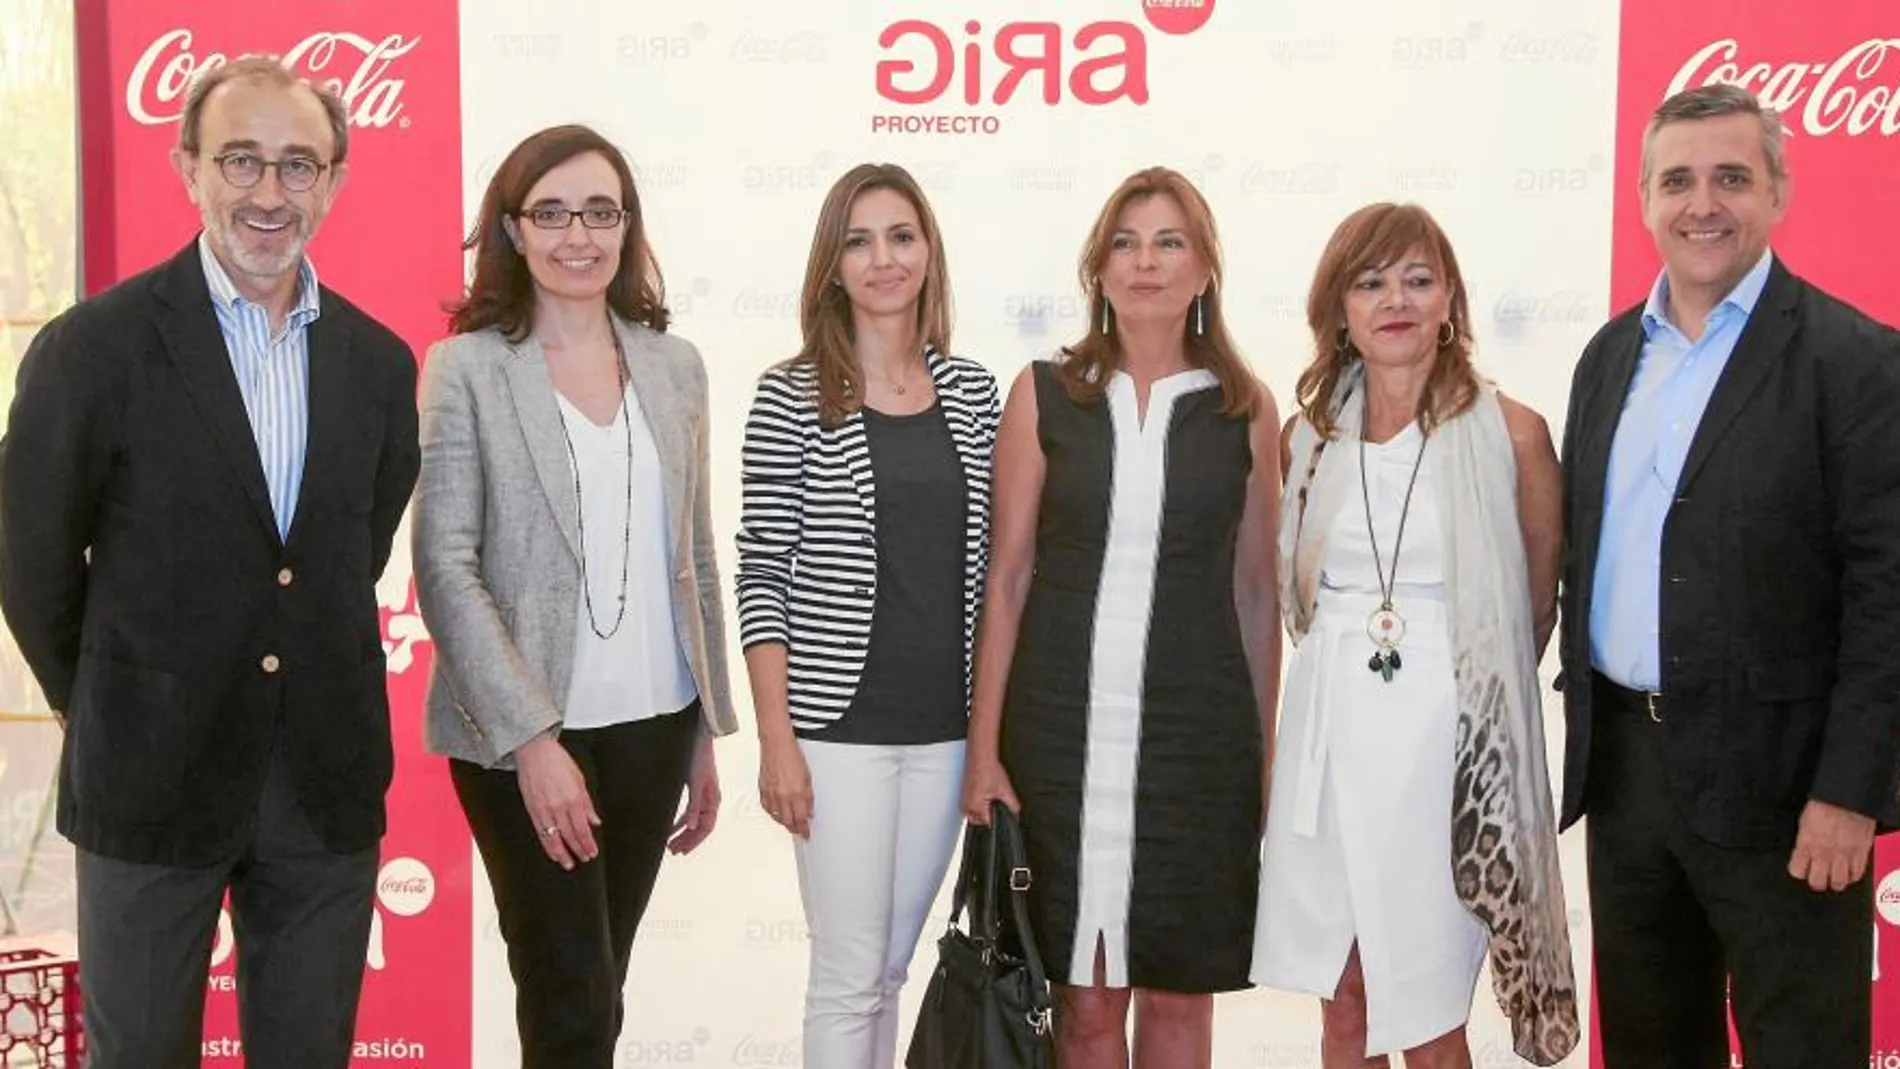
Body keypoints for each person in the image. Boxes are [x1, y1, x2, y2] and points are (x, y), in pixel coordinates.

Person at [0, 56, 418, 1068]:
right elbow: (30, 563)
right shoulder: (90, 349)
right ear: (187, 165)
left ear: (336, 180)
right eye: (240, 161)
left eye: (297, 165)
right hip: (146, 776)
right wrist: (109, 692)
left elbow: (351, 550)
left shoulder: (378, 362)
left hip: (321, 782)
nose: (269, 194)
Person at [1559, 83, 1900, 1069]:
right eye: (1677, 180)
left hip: (1787, 793)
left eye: (1730, 178)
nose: (1700, 203)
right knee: (1651, 1049)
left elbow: (1886, 594)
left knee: (1802, 1048)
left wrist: (1849, 792)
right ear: (1643, 201)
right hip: (1626, 779)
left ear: (1777, 194)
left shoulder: (1856, 360)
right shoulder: (1607, 356)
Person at [412, 124, 734, 1069]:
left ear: (627, 226)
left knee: (601, 991)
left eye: (600, 211)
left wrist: (706, 727)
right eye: (549, 213)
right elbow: (444, 564)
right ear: (512, 230)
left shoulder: (675, 367)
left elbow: (696, 557)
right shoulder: (467, 367)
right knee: (567, 1003)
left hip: (653, 727)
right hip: (522, 739)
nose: (577, 235)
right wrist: (532, 741)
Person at [961, 166, 1279, 1068]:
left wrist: (1265, 762)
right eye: (1126, 242)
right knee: (1084, 1003)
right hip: (1057, 741)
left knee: (1182, 1006)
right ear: (1097, 269)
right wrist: (984, 750)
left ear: (1206, 268)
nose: (1147, 262)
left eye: (1170, 241)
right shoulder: (1043, 394)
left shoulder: (1246, 410)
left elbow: (1255, 595)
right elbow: (1008, 576)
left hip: (1198, 748)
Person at [1255, 203, 1578, 1068]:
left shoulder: (1514, 434)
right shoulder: (1309, 438)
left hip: (1447, 749)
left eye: (1417, 278)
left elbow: (1534, 607)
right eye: (1370, 282)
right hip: (1326, 735)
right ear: (1339, 309)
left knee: (1427, 1014)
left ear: (1449, 300)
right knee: (1347, 998)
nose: (1394, 299)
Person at [735, 162, 997, 1069]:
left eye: (901, 235)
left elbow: (1001, 568)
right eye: (859, 239)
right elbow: (762, 570)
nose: (883, 258)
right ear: (832, 265)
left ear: (928, 252)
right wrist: (778, 739)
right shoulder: (790, 394)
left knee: (888, 968)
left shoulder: (974, 392)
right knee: (847, 975)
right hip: (836, 731)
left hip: (944, 734)